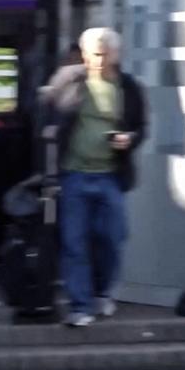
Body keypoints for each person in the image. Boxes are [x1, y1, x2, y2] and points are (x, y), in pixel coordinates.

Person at [40, 27, 147, 327]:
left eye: (103, 54)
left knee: (111, 239)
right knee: (74, 242)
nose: (97, 60)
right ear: (84, 54)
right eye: (91, 54)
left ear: (115, 54)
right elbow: (47, 113)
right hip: (74, 175)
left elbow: (141, 126)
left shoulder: (128, 87)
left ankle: (102, 293)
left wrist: (129, 138)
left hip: (110, 176)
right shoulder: (69, 80)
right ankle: (80, 306)